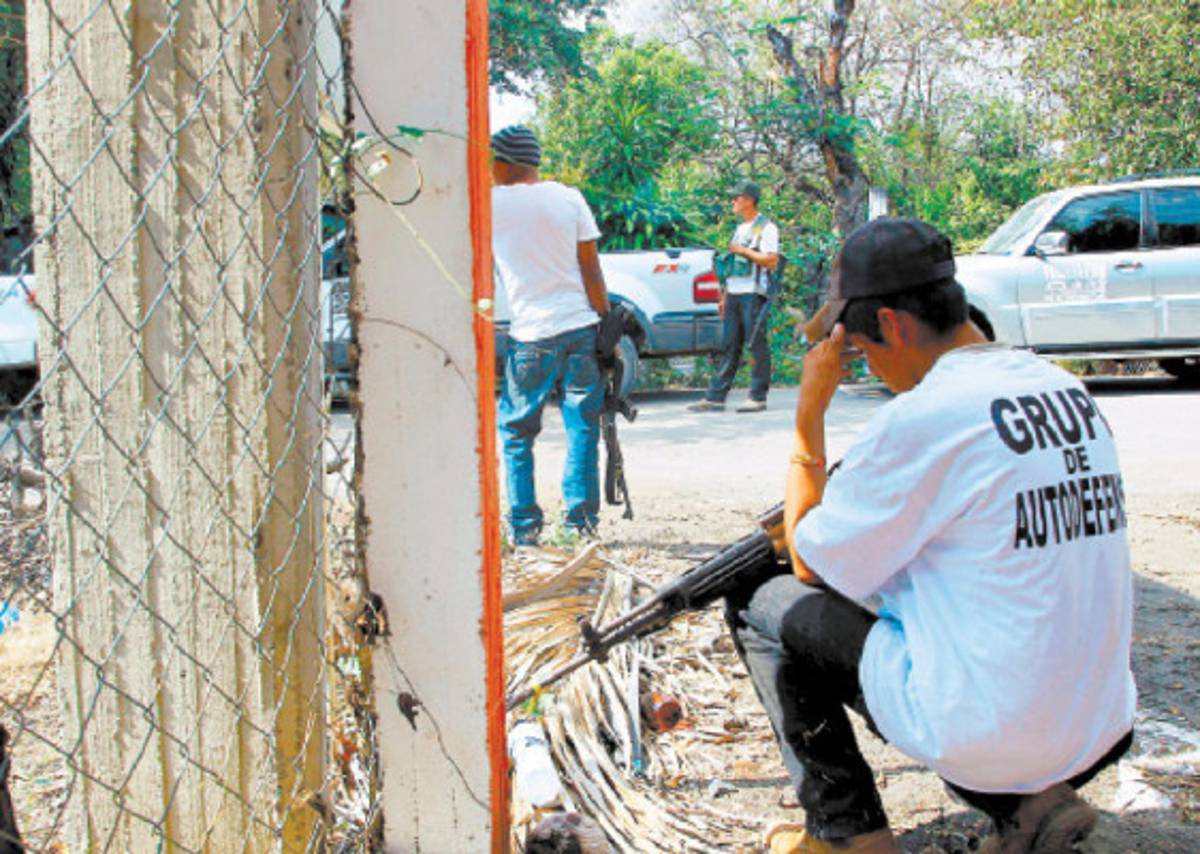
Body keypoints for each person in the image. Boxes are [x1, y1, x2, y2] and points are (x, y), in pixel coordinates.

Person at [725, 218, 1136, 854]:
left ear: (893, 325)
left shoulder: (924, 417)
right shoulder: (1063, 387)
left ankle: (848, 835)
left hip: (992, 735)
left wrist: (809, 418)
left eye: (860, 351)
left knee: (758, 595)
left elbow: (810, 558)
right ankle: (1032, 801)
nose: (870, 369)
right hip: (1101, 722)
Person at [491, 125, 612, 545]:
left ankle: (525, 529)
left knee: (517, 433)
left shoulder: (489, 204)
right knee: (582, 427)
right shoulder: (568, 197)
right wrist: (604, 321)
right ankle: (579, 527)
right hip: (580, 327)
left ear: (503, 162)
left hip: (530, 334)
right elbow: (591, 268)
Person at [688, 180, 781, 413]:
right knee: (729, 344)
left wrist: (744, 251)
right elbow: (733, 267)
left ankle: (758, 397)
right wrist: (724, 297)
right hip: (735, 293)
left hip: (753, 293)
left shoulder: (767, 228)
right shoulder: (740, 229)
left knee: (755, 344)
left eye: (736, 198)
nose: (733, 202)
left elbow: (771, 260)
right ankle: (716, 397)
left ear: (749, 200)